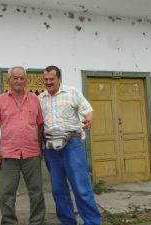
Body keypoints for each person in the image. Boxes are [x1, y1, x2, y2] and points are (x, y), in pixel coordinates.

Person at [38, 65, 102, 225]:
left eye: (52, 79)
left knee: (81, 186)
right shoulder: (40, 99)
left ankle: (92, 222)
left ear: (59, 79)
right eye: (46, 79)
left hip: (71, 143)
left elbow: (88, 110)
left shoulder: (72, 92)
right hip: (50, 147)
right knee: (58, 189)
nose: (48, 82)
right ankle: (67, 221)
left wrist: (89, 120)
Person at [0, 66, 45, 225]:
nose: (19, 81)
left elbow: (40, 124)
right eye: (15, 78)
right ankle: (9, 222)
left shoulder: (34, 99)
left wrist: (40, 147)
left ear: (26, 80)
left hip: (32, 154)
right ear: (9, 80)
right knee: (7, 193)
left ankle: (37, 221)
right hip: (8, 154)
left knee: (36, 192)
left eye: (22, 78)